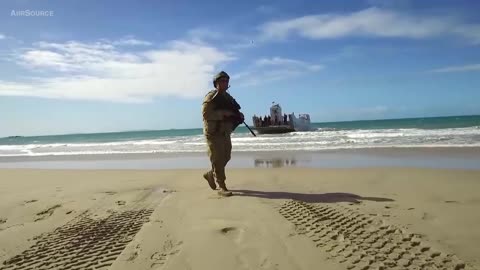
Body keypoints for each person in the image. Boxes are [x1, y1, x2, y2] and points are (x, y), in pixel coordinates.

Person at [202, 71, 244, 196]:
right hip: (213, 133)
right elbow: (206, 114)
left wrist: (238, 116)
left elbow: (234, 111)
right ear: (216, 83)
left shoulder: (228, 97)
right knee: (218, 159)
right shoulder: (211, 96)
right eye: (222, 81)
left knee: (226, 157)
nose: (224, 83)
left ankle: (211, 174)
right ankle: (222, 186)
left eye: (226, 81)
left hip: (225, 132)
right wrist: (224, 113)